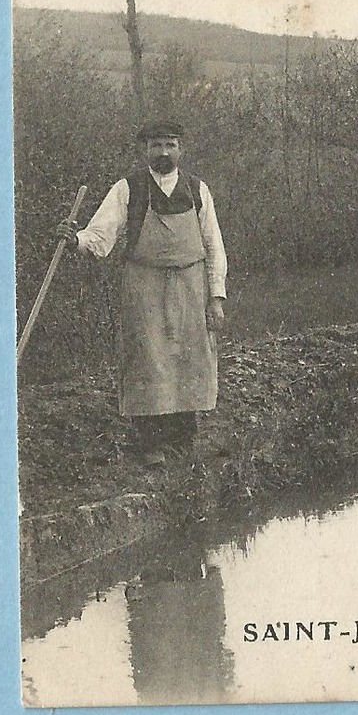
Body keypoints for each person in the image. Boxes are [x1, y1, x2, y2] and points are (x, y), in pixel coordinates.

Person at [56, 120, 228, 466]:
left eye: (170, 144)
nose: (163, 152)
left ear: (182, 149)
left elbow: (214, 245)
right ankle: (150, 445)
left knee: (190, 357)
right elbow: (100, 235)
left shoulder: (197, 190)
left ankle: (184, 440)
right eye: (156, 145)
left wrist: (216, 296)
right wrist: (75, 239)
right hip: (144, 286)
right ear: (144, 149)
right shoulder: (128, 189)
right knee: (148, 359)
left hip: (191, 284)